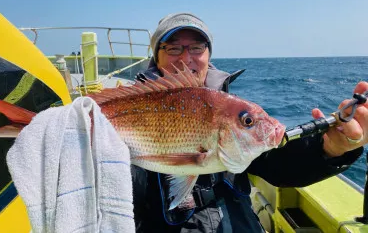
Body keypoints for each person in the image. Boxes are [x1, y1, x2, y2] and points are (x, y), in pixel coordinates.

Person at [131, 12, 368, 232]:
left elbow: (278, 164)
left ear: (208, 54)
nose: (186, 58)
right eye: (173, 49)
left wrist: (332, 149)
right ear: (157, 57)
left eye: (196, 47)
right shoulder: (132, 107)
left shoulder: (233, 110)